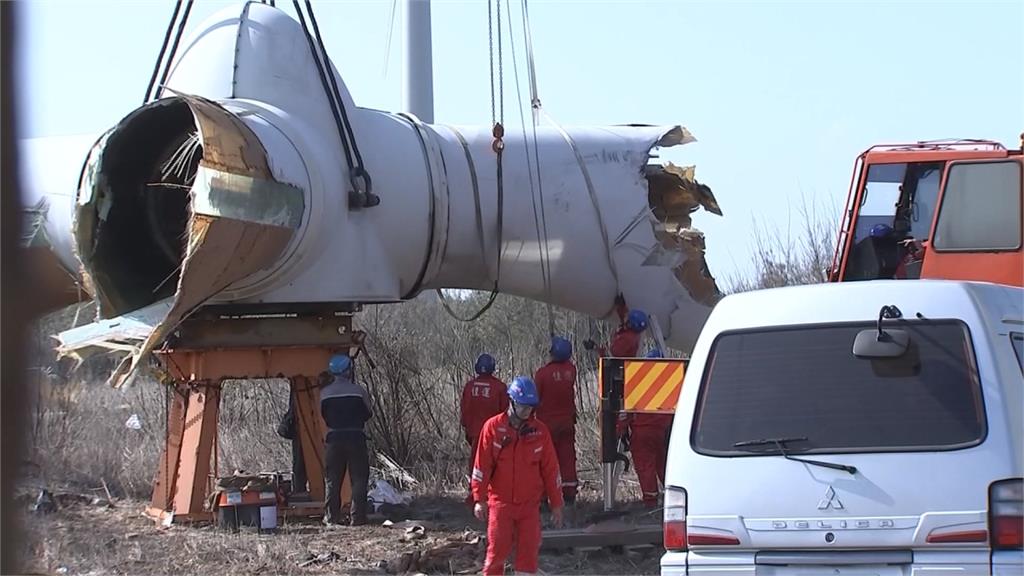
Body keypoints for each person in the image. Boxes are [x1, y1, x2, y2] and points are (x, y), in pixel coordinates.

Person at [471, 377, 564, 575]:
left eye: (530, 408)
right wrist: (479, 499)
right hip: (500, 505)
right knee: (496, 554)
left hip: (529, 507)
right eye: (522, 407)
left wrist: (556, 504)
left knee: (528, 557)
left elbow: (551, 471)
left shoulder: (540, 432)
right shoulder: (492, 428)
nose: (526, 412)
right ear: (511, 402)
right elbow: (482, 467)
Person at [320, 354, 372, 526]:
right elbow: (367, 414)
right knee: (359, 478)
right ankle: (358, 518)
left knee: (332, 480)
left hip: (334, 439)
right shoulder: (359, 392)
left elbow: (324, 416)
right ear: (349, 371)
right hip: (356, 437)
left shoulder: (325, 394)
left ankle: (331, 518)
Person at [618, 349, 674, 509]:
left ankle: (651, 503)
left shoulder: (638, 382)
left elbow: (625, 412)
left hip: (642, 434)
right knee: (664, 466)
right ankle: (674, 498)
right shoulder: (669, 382)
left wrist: (621, 431)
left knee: (646, 467)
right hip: (664, 433)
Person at [534, 336, 579, 504]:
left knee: (545, 459)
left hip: (546, 424)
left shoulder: (542, 374)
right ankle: (569, 492)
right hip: (567, 422)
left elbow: (535, 398)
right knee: (567, 457)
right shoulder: (571, 370)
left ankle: (545, 495)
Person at [460, 353, 508, 502]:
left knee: (476, 464)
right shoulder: (500, 387)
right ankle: (494, 495)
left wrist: (468, 429)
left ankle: (474, 495)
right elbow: (505, 413)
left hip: (475, 434)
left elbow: (464, 411)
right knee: (495, 466)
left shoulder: (469, 387)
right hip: (494, 435)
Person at [584, 294, 647, 358]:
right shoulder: (631, 332)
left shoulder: (627, 338)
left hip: (618, 366)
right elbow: (624, 317)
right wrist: (622, 306)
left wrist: (595, 347)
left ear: (630, 324)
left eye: (628, 319)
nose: (627, 319)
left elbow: (611, 355)